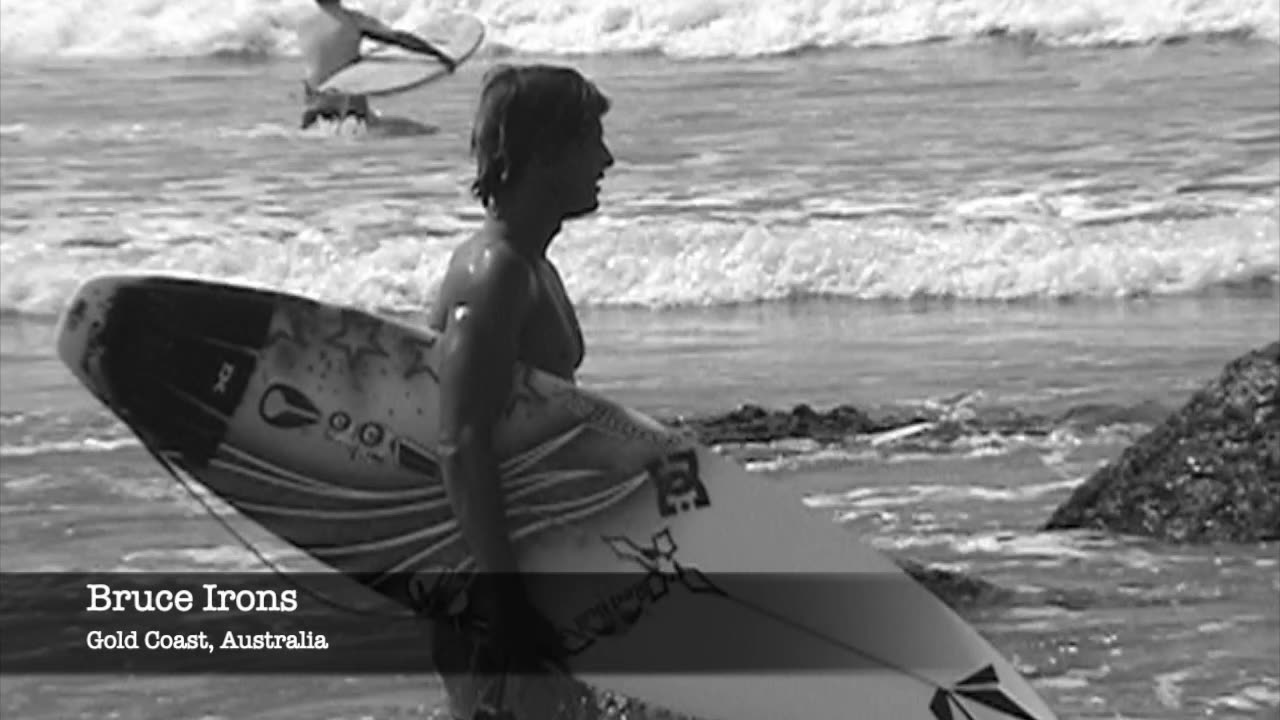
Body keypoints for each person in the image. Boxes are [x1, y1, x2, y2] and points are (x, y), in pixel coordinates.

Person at [425, 64, 614, 719]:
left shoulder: (533, 267)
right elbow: (460, 440)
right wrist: (507, 599)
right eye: (593, 140)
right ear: (544, 154)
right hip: (487, 581)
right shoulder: (495, 275)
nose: (607, 159)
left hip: (526, 566)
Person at [296, 0, 457, 129]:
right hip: (349, 111)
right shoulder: (353, 20)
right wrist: (437, 54)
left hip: (313, 107)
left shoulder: (302, 24)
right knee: (425, 131)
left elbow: (328, 57)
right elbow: (397, 38)